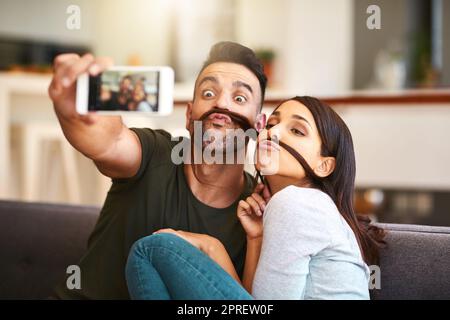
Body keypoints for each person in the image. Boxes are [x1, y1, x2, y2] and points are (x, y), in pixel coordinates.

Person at [47, 41, 267, 299]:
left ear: (259, 125)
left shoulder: (257, 215)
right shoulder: (154, 153)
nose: (221, 105)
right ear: (188, 114)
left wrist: (212, 248)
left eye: (239, 98)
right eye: (208, 93)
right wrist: (77, 115)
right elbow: (111, 142)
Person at [125, 96, 386, 300]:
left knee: (152, 250)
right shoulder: (301, 206)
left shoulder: (298, 202)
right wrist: (255, 239)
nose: (272, 133)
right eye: (271, 124)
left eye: (297, 131)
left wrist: (211, 247)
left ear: (324, 165)